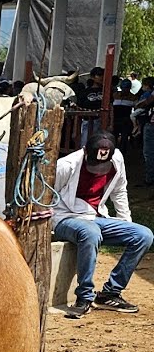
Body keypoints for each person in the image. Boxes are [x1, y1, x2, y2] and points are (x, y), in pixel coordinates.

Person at [53, 131, 153, 318]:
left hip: (97, 216)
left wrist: (126, 222)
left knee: (143, 235)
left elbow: (119, 190)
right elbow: (46, 196)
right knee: (90, 233)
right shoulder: (65, 166)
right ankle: (84, 297)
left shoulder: (117, 159)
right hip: (65, 217)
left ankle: (110, 293)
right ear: (85, 152)